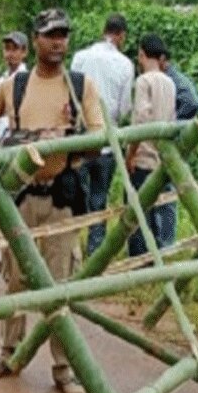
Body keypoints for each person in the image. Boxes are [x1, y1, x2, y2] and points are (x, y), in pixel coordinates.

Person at [0, 8, 104, 393]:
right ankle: (8, 353)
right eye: (50, 35)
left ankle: (63, 367)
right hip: (22, 198)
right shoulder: (16, 85)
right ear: (37, 38)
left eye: (63, 34)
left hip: (61, 198)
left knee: (59, 286)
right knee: (15, 279)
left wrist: (68, 136)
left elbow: (99, 140)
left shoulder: (81, 87)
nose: (58, 42)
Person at [70, 13, 134, 254]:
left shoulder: (80, 57)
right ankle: (94, 254)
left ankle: (71, 250)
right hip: (107, 143)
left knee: (73, 199)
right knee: (99, 199)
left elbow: (70, 96)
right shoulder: (126, 64)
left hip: (80, 141)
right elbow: (125, 108)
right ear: (121, 35)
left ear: (104, 30)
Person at [124, 35, 177, 257]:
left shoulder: (143, 81)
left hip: (144, 155)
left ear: (142, 54)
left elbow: (141, 121)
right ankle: (163, 251)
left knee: (138, 209)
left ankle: (140, 258)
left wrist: (130, 154)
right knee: (163, 206)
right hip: (163, 155)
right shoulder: (169, 81)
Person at [156, 52, 198, 249]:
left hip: (174, 142)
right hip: (170, 142)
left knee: (168, 189)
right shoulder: (170, 78)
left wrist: (174, 124)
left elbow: (193, 103)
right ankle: (162, 241)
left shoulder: (175, 80)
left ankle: (166, 243)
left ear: (163, 60)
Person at [0, 30, 29, 144]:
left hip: (15, 140)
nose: (10, 54)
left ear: (24, 52)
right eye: (7, 49)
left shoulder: (26, 80)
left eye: (14, 49)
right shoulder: (2, 79)